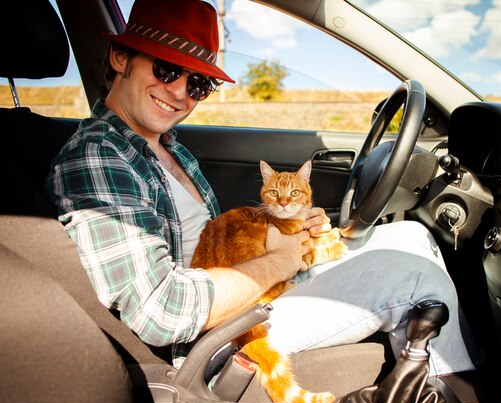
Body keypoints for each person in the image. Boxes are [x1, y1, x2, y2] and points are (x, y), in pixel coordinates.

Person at [44, 0, 476, 378]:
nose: (179, 92)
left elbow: (214, 242)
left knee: (412, 236)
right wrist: (281, 260)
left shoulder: (171, 148)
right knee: (415, 276)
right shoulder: (99, 156)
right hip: (212, 337)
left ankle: (424, 382)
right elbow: (165, 311)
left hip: (246, 291)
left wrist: (289, 233)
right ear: (121, 57)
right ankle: (457, 397)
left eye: (196, 83)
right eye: (167, 68)